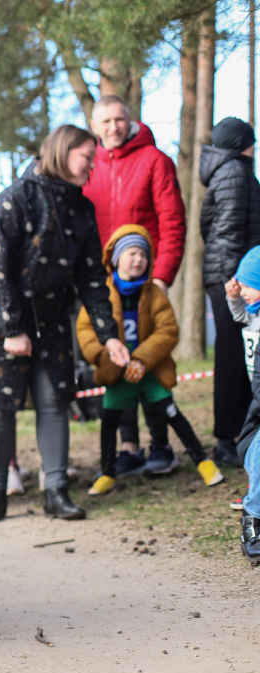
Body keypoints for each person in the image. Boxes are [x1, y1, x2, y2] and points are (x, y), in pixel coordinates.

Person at [0, 125, 129, 525]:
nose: (92, 165)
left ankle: (56, 492)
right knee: (0, 407)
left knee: (54, 402)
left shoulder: (82, 208)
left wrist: (109, 336)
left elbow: (92, 277)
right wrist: (13, 330)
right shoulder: (16, 198)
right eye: (86, 157)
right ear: (61, 152)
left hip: (51, 322)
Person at [79, 226, 222, 495]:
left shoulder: (154, 292)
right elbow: (86, 331)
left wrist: (142, 360)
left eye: (143, 254)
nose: (138, 260)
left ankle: (202, 460)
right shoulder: (101, 295)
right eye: (132, 253)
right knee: (109, 421)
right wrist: (107, 358)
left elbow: (168, 330)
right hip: (117, 373)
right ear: (116, 258)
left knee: (172, 413)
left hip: (150, 370)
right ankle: (107, 472)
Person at [83, 96, 186, 464]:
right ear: (94, 126)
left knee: (152, 359)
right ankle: (129, 447)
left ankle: (161, 443)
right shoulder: (87, 166)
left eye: (120, 119)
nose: (113, 127)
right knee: (117, 361)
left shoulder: (155, 161)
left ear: (130, 121)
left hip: (146, 284)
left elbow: (172, 222)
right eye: (106, 121)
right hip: (104, 287)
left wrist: (162, 278)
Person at [200, 117, 260, 468]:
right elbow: (227, 232)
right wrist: (236, 284)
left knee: (239, 359)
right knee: (233, 360)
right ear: (242, 143)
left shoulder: (229, 170)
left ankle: (238, 435)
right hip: (234, 280)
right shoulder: (236, 171)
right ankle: (227, 440)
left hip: (234, 277)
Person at [225, 247, 260, 564]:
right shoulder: (253, 313)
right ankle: (253, 509)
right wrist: (236, 296)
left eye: (248, 284)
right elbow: (239, 314)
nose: (243, 290)